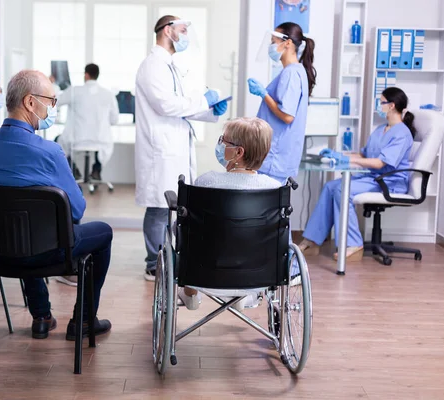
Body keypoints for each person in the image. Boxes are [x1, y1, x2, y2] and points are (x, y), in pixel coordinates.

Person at [0, 69, 113, 340]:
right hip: (45, 254)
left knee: (18, 226)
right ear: (30, 102)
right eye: (51, 100)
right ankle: (83, 320)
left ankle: (41, 316)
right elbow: (78, 209)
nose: (53, 108)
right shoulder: (49, 151)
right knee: (102, 232)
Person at [135, 15, 229, 281]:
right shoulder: (152, 65)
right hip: (159, 149)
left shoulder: (169, 65)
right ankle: (153, 264)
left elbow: (181, 106)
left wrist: (210, 110)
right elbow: (166, 105)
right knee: (157, 208)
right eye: (183, 30)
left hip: (173, 144)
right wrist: (202, 100)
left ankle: (172, 258)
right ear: (168, 31)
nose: (186, 36)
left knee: (174, 206)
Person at [299, 87, 415, 261]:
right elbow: (364, 155)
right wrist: (339, 154)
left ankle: (354, 245)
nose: (379, 105)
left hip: (389, 182)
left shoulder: (402, 134)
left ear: (391, 106)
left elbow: (381, 162)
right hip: (373, 177)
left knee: (341, 190)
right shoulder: (380, 129)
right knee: (331, 186)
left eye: (381, 102)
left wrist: (348, 162)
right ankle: (313, 241)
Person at [178, 117, 282, 311]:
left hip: (204, 272)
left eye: (223, 141)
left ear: (238, 152)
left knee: (188, 233)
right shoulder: (274, 189)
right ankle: (244, 292)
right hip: (258, 275)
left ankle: (190, 294)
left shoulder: (206, 183)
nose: (219, 145)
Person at [247, 22, 316, 185]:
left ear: (288, 43)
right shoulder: (296, 71)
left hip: (275, 157)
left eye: (273, 41)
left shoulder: (291, 73)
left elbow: (287, 116)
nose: (271, 46)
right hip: (278, 157)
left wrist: (264, 94)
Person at [57, 63, 119, 182]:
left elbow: (56, 102)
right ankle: (96, 169)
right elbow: (114, 120)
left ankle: (74, 170)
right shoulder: (108, 94)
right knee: (102, 143)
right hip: (101, 141)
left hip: (77, 140)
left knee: (58, 142)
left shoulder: (74, 91)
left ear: (86, 75)